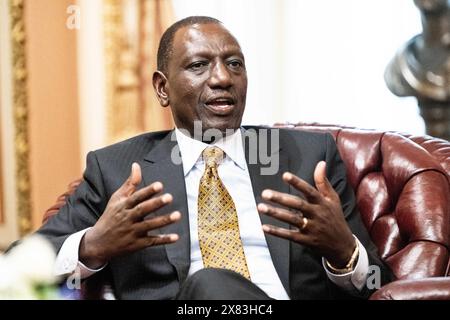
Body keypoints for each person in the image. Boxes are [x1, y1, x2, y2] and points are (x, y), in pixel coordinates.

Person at [37, 16, 391, 300]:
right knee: (210, 285)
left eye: (234, 64)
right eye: (199, 65)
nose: (222, 78)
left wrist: (343, 249)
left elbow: (380, 285)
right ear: (163, 88)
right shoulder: (116, 170)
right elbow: (21, 264)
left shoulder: (308, 158)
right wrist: (94, 245)